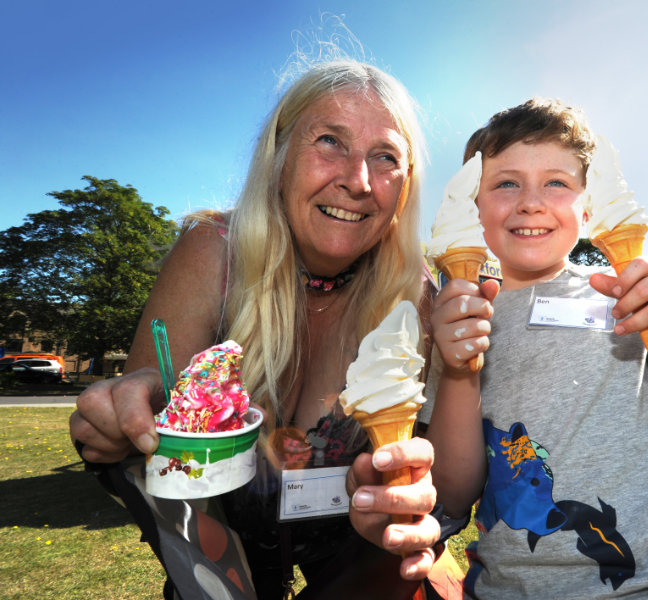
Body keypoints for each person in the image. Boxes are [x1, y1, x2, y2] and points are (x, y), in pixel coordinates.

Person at [69, 60, 449, 600]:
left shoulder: (415, 293)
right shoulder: (211, 251)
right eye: (330, 142)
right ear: (279, 155)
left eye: (385, 157)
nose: (358, 181)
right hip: (217, 558)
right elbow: (144, 417)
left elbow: (445, 480)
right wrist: (126, 415)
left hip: (367, 563)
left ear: (405, 184)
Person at [425, 98, 648, 598]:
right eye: (505, 182)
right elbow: (453, 493)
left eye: (557, 182)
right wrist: (458, 369)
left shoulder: (633, 296)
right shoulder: (454, 321)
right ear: (472, 206)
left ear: (588, 203)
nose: (531, 201)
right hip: (515, 588)